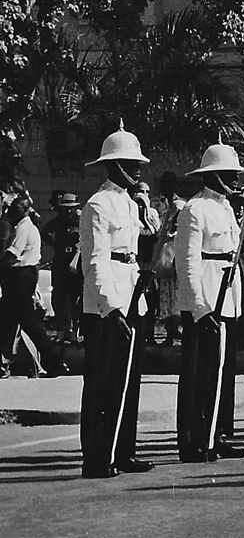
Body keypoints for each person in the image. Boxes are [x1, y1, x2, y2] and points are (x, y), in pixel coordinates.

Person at [78, 124, 154, 478]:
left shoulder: (129, 202)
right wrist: (111, 308)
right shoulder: (98, 205)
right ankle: (97, 457)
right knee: (102, 382)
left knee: (128, 380)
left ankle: (123, 451)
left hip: (131, 295)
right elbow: (94, 262)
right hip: (106, 304)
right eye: (130, 163)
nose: (137, 169)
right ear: (113, 165)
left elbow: (137, 248)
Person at [175, 140, 244, 463]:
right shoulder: (195, 209)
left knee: (221, 372)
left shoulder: (226, 209)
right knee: (198, 373)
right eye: (229, 173)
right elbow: (187, 262)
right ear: (212, 175)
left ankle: (216, 435)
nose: (235, 179)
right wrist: (199, 306)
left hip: (227, 297)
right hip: (206, 300)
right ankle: (194, 440)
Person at [0, 192, 69, 378]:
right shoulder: (22, 227)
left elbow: (12, 255)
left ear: (23, 210)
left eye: (15, 208)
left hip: (20, 277)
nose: (11, 212)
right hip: (20, 277)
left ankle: (55, 363)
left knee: (30, 324)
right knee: (6, 321)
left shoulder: (24, 228)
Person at [151, 173, 185, 347]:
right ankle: (170, 332)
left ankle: (178, 330)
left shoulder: (180, 205)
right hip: (164, 253)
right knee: (166, 295)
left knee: (177, 295)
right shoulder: (160, 203)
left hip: (176, 252)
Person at [47, 192, 83, 343]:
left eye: (71, 208)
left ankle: (75, 330)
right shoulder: (57, 222)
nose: (69, 211)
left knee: (76, 297)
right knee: (59, 297)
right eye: (66, 208)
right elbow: (45, 232)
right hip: (61, 262)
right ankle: (62, 329)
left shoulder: (81, 221)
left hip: (76, 261)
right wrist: (54, 245)